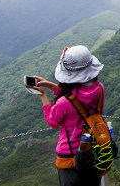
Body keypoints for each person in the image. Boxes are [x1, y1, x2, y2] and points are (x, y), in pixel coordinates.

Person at [31, 45, 105, 186]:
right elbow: (79, 100)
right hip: (93, 152)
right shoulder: (99, 88)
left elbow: (52, 121)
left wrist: (43, 95)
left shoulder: (64, 103)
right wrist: (54, 87)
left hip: (70, 158)